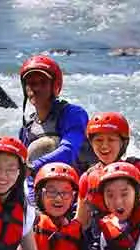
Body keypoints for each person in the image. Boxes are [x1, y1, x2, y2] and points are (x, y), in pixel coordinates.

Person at [17, 55, 96, 199]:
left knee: (42, 146)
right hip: (47, 196)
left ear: (55, 86)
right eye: (31, 83)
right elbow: (24, 171)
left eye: (42, 82)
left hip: (82, 191)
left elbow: (69, 151)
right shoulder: (27, 129)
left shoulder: (73, 114)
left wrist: (34, 166)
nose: (35, 88)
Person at [14, 162, 89, 250]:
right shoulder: (29, 221)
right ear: (39, 195)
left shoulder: (79, 234)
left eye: (65, 193)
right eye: (51, 191)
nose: (58, 198)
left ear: (72, 197)